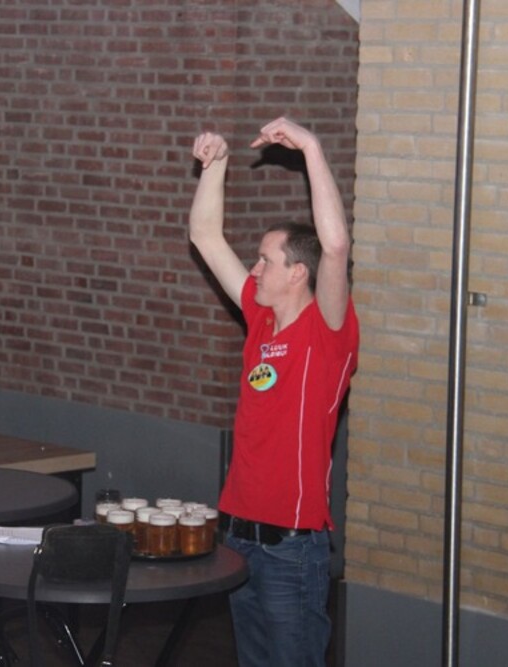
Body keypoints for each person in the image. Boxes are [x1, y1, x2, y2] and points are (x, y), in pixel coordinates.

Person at [188, 117, 359, 666]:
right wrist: (216, 165)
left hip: (292, 547)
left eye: (266, 259)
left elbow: (336, 245)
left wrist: (309, 147)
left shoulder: (326, 332)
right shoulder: (260, 319)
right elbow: (204, 237)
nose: (255, 267)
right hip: (238, 536)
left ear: (298, 273)